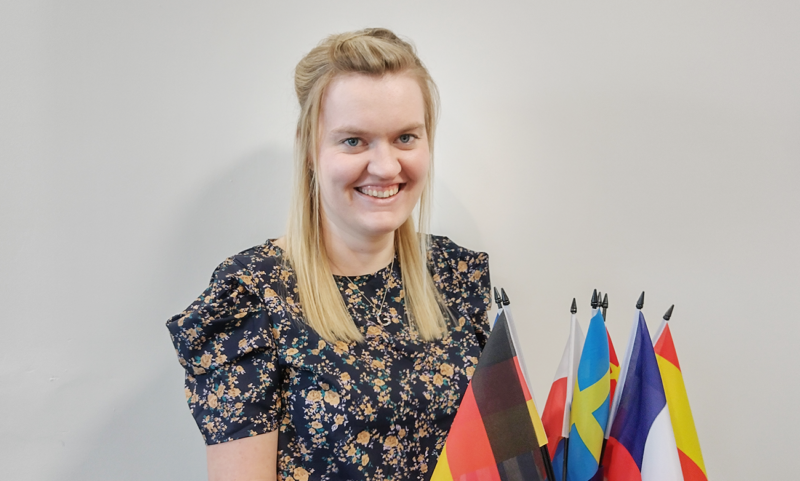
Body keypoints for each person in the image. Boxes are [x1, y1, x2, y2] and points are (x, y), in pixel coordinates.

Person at [167, 28, 491, 481]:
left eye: (405, 138)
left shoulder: (456, 276)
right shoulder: (251, 297)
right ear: (310, 149)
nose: (385, 167)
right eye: (353, 141)